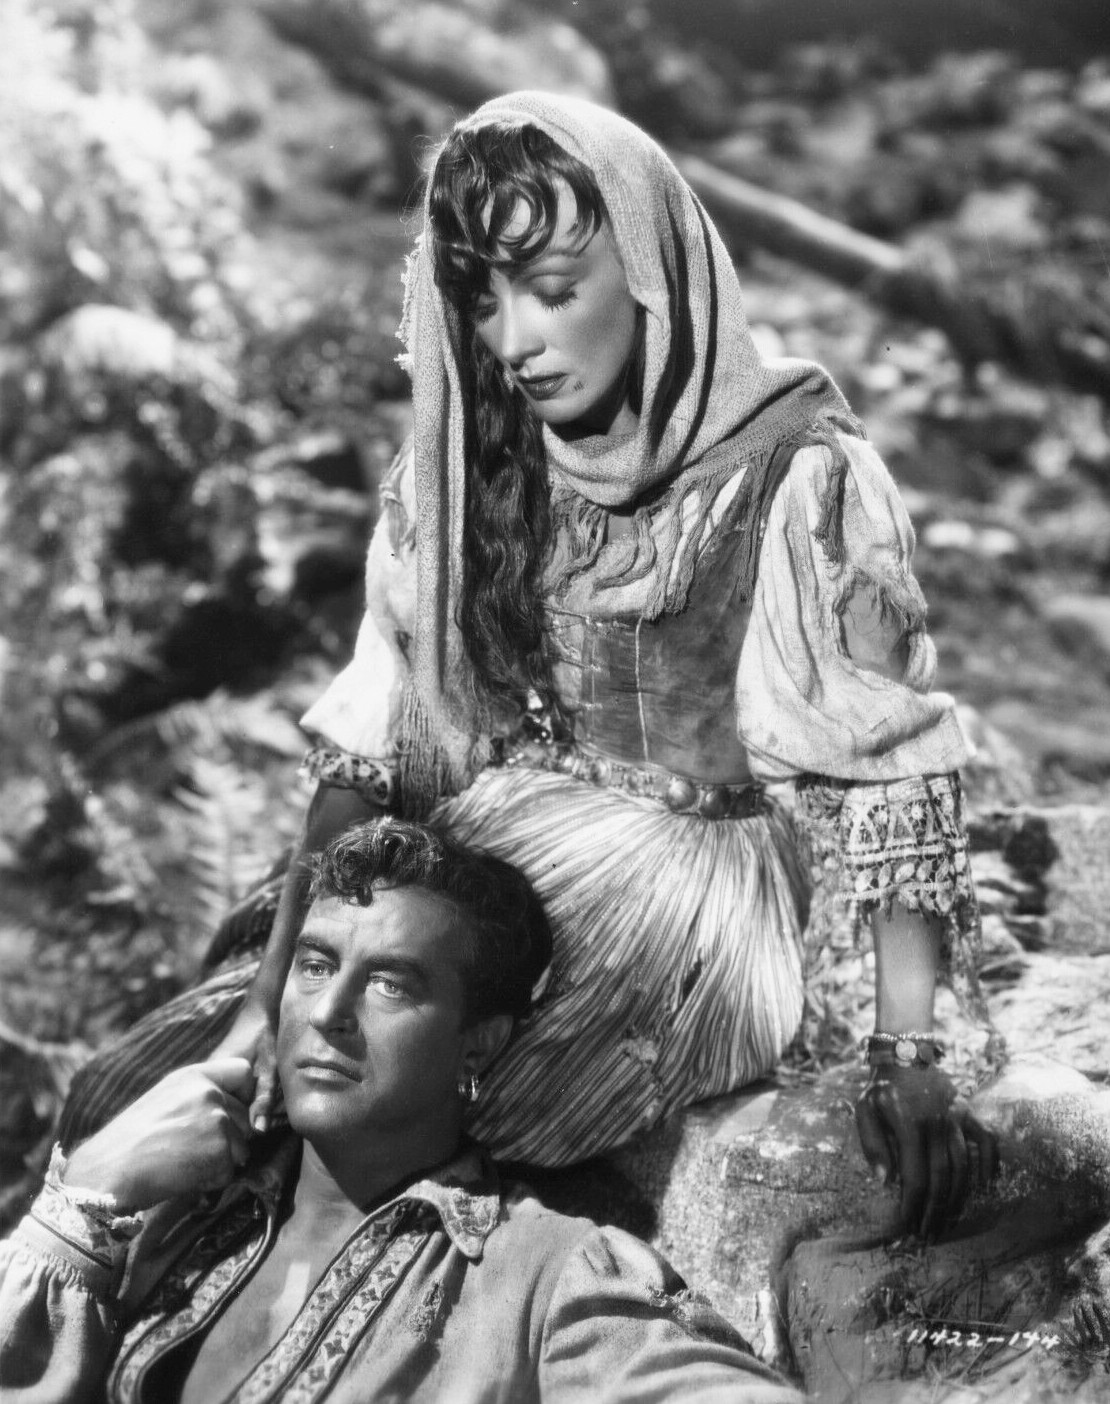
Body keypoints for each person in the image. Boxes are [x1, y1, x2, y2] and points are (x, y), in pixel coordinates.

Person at [60, 91, 995, 1239]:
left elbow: (890, 773)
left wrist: (910, 1049)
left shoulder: (792, 472)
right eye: (484, 301)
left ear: (652, 276)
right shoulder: (469, 457)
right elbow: (373, 743)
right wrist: (263, 1000)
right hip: (492, 838)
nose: (513, 343)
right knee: (144, 1084)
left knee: (427, 1098)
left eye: (553, 291)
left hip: (682, 892)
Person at [1, 819, 801, 1404]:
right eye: (315, 965)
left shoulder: (542, 1277)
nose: (328, 1013)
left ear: (478, 1045)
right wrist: (83, 1199)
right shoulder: (168, 1208)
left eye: (391, 984)